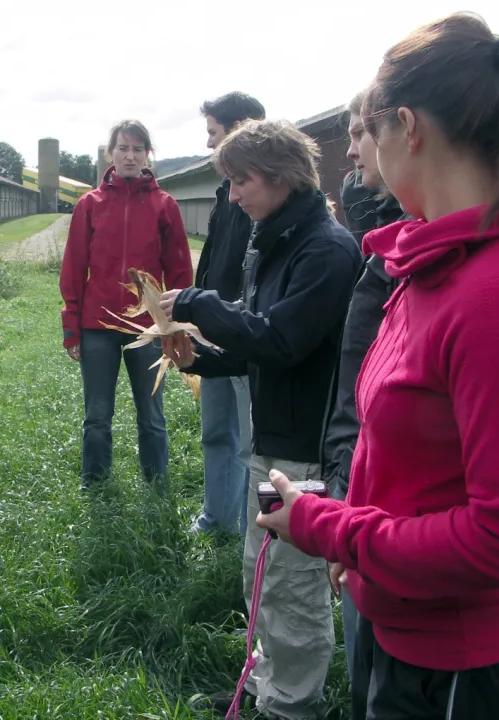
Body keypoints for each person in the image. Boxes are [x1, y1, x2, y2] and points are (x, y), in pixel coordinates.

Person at [255, 14, 499, 719]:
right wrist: (358, 535)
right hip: (411, 629)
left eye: (370, 129)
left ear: (408, 129)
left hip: (466, 664)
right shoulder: (431, 264)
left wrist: (332, 529)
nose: (364, 149)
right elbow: (415, 456)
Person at [159, 118, 363, 719]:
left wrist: (198, 303)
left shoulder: (326, 250)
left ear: (281, 176)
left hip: (305, 448)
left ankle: (291, 705)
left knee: (292, 583)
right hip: (273, 441)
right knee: (262, 568)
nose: (233, 196)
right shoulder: (273, 239)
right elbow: (256, 341)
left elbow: (282, 340)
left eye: (241, 181)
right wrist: (202, 359)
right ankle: (268, 684)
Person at [320, 90, 410, 692]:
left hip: (381, 520)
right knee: (365, 675)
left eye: (361, 132)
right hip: (359, 488)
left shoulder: (418, 255)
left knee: (378, 678)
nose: (352, 150)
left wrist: (346, 512)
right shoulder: (387, 241)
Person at [59, 120, 193, 489]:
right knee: (97, 414)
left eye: (137, 149)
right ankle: (95, 483)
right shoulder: (90, 204)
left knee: (151, 413)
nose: (130, 156)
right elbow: (74, 268)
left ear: (147, 154)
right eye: (123, 148)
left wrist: (176, 326)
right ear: (111, 153)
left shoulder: (164, 205)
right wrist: (71, 326)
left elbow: (179, 272)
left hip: (147, 328)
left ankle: (157, 483)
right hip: (97, 326)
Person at [192, 91, 266, 536]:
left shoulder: (263, 200)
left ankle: (247, 532)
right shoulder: (225, 193)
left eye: (213, 133)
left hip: (241, 333)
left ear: (240, 131)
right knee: (216, 433)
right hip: (212, 329)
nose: (207, 144)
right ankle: (216, 519)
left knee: (247, 443)